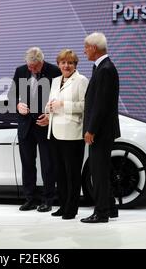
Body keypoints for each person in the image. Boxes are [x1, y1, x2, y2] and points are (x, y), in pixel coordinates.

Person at [8, 47, 61, 212]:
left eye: (35, 67)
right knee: (27, 164)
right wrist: (17, 105)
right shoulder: (20, 71)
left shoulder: (54, 71)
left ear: (41, 62)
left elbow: (62, 99)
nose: (31, 69)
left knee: (48, 165)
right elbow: (11, 97)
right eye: (29, 66)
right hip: (25, 126)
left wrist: (50, 117)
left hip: (44, 124)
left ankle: (48, 200)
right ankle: (30, 199)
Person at [81, 32, 121, 223]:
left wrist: (91, 130)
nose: (84, 50)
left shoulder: (105, 69)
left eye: (86, 47)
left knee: (99, 173)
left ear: (94, 48)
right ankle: (111, 208)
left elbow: (101, 105)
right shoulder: (102, 67)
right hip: (102, 131)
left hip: (100, 132)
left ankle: (101, 212)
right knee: (102, 171)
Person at [46, 49, 88, 220]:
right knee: (60, 174)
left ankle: (72, 208)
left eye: (70, 63)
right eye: (63, 62)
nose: (66, 65)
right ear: (59, 65)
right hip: (55, 132)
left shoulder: (82, 80)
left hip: (73, 133)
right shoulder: (55, 81)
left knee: (72, 174)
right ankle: (63, 206)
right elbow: (51, 103)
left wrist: (63, 104)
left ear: (75, 65)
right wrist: (48, 108)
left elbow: (85, 106)